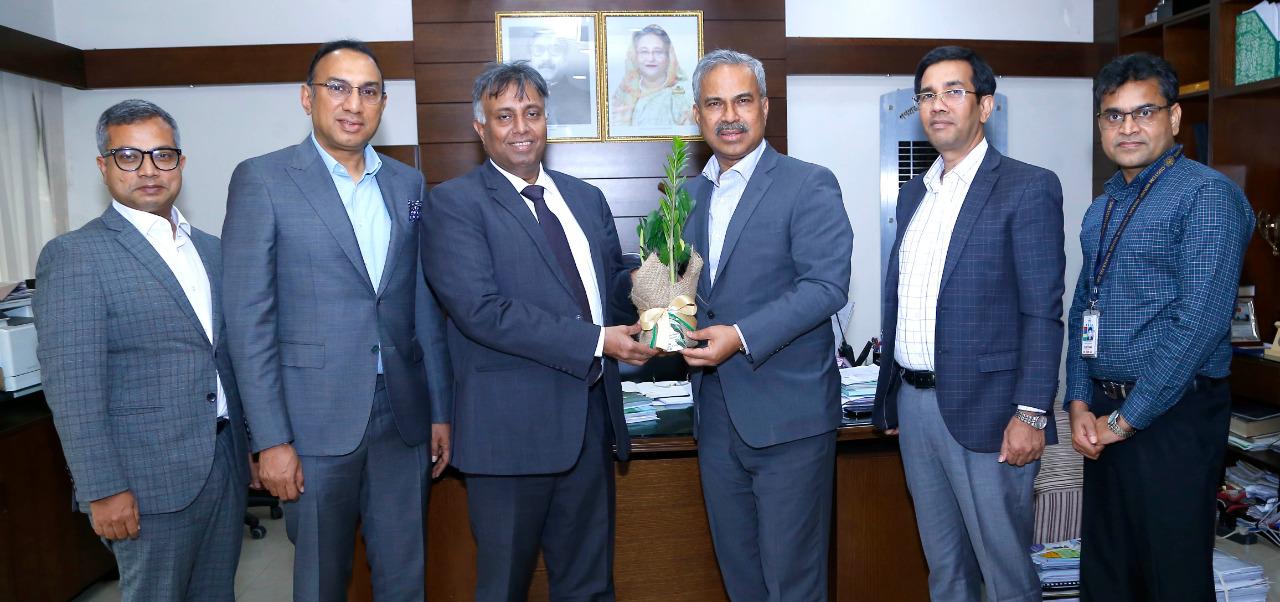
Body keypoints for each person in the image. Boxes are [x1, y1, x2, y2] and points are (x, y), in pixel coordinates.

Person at [221, 39, 451, 601]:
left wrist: (439, 410)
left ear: (383, 104)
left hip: (402, 418)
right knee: (322, 581)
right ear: (308, 98)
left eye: (369, 91)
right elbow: (248, 322)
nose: (354, 103)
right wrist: (270, 439)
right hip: (312, 425)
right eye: (338, 88)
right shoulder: (263, 180)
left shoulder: (408, 185)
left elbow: (421, 302)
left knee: (406, 578)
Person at [420, 60, 656, 601]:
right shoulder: (454, 204)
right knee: (504, 588)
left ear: (547, 120)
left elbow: (605, 289)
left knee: (590, 588)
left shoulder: (585, 198)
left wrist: (651, 283)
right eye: (504, 116)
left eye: (532, 113)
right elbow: (482, 311)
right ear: (480, 128)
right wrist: (597, 341)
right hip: (509, 434)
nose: (521, 127)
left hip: (589, 424)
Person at [871, 46, 1066, 602]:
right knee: (946, 571)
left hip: (992, 411)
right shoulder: (915, 193)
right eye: (927, 95)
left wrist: (1031, 412)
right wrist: (891, 397)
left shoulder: (1027, 187)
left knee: (1004, 574)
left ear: (985, 105)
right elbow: (904, 299)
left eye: (953, 92)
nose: (938, 105)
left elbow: (1042, 311)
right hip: (916, 407)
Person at [34, 99, 250, 600]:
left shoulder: (212, 249)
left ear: (181, 162)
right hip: (144, 480)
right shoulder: (75, 256)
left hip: (223, 463)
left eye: (162, 155)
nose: (149, 170)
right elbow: (72, 389)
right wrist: (102, 488)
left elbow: (226, 359)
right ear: (103, 165)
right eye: (129, 156)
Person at [1066, 53, 1253, 601]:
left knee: (1170, 576)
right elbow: (1082, 307)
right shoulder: (1103, 205)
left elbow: (1198, 324)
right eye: (1113, 115)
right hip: (1106, 412)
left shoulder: (1207, 196)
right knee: (1108, 572)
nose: (1127, 127)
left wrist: (1127, 421)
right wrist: (1078, 400)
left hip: (1174, 416)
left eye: (1143, 112)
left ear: (1173, 117)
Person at [679, 49, 853, 601]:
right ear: (697, 115)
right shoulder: (686, 195)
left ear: (765, 107)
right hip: (715, 419)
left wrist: (739, 336)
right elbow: (683, 291)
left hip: (789, 419)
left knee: (793, 584)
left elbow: (826, 286)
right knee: (742, 582)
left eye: (742, 100)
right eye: (714, 103)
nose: (729, 115)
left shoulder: (808, 184)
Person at [609, 24, 693, 127]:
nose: (651, 58)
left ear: (669, 57)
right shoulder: (623, 94)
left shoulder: (683, 92)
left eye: (658, 52)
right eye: (644, 52)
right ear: (635, 57)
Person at [526, 29, 592, 125]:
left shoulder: (585, 100)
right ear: (530, 59)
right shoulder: (517, 98)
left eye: (555, 50)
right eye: (539, 50)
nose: (546, 58)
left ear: (565, 59)